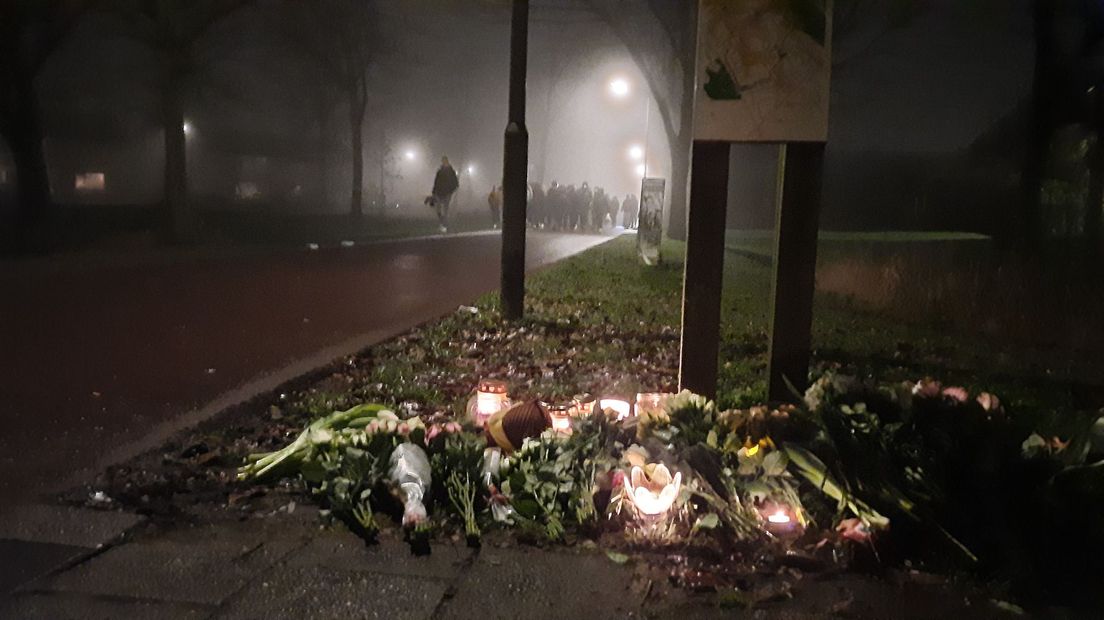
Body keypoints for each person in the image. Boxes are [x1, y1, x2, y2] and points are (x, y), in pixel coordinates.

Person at [431, 156, 459, 233]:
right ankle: (444, 225)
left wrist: (450, 191)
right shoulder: (440, 171)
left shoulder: (451, 171)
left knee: (444, 210)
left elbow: (456, 183)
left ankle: (444, 226)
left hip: (446, 193)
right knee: (439, 210)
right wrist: (434, 192)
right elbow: (436, 182)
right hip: (439, 193)